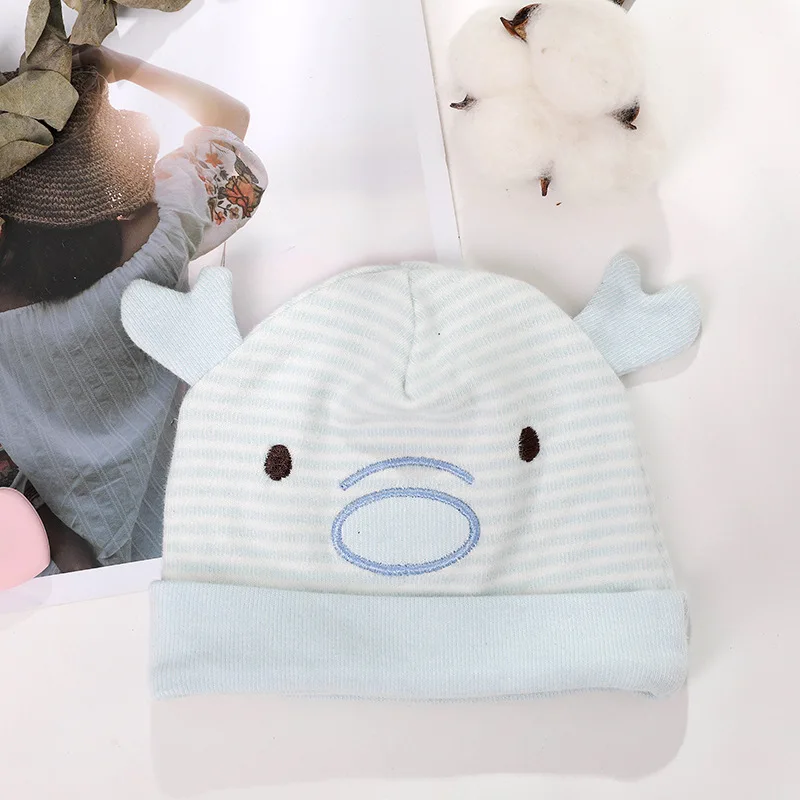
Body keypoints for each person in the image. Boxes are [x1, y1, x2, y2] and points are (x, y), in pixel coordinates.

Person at [0, 45, 267, 574]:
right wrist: (121, 65)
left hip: (75, 554)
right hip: (208, 502)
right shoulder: (165, 227)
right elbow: (230, 118)